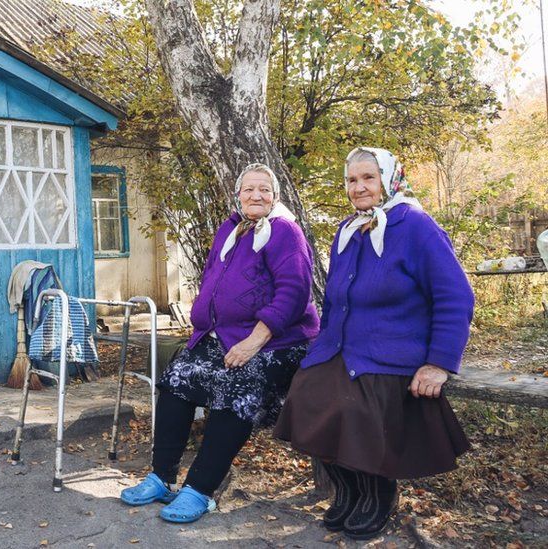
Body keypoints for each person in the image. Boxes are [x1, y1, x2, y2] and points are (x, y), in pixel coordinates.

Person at [274, 147, 474, 540]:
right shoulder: (348, 230)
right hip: (342, 348)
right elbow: (334, 300)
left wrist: (439, 363)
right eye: (352, 180)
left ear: (389, 179)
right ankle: (349, 491)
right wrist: (321, 349)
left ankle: (377, 496)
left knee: (357, 406)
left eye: (369, 178)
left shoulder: (416, 225)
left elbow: (456, 296)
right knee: (307, 394)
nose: (359, 187)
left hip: (393, 351)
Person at [120, 163, 320, 523]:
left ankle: (199, 488)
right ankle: (162, 478)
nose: (256, 195)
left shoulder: (284, 232)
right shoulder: (231, 229)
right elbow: (214, 274)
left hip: (277, 340)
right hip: (225, 334)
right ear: (238, 195)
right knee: (177, 380)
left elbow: (295, 293)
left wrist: (253, 342)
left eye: (264, 189)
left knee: (238, 386)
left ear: (275, 197)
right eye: (249, 189)